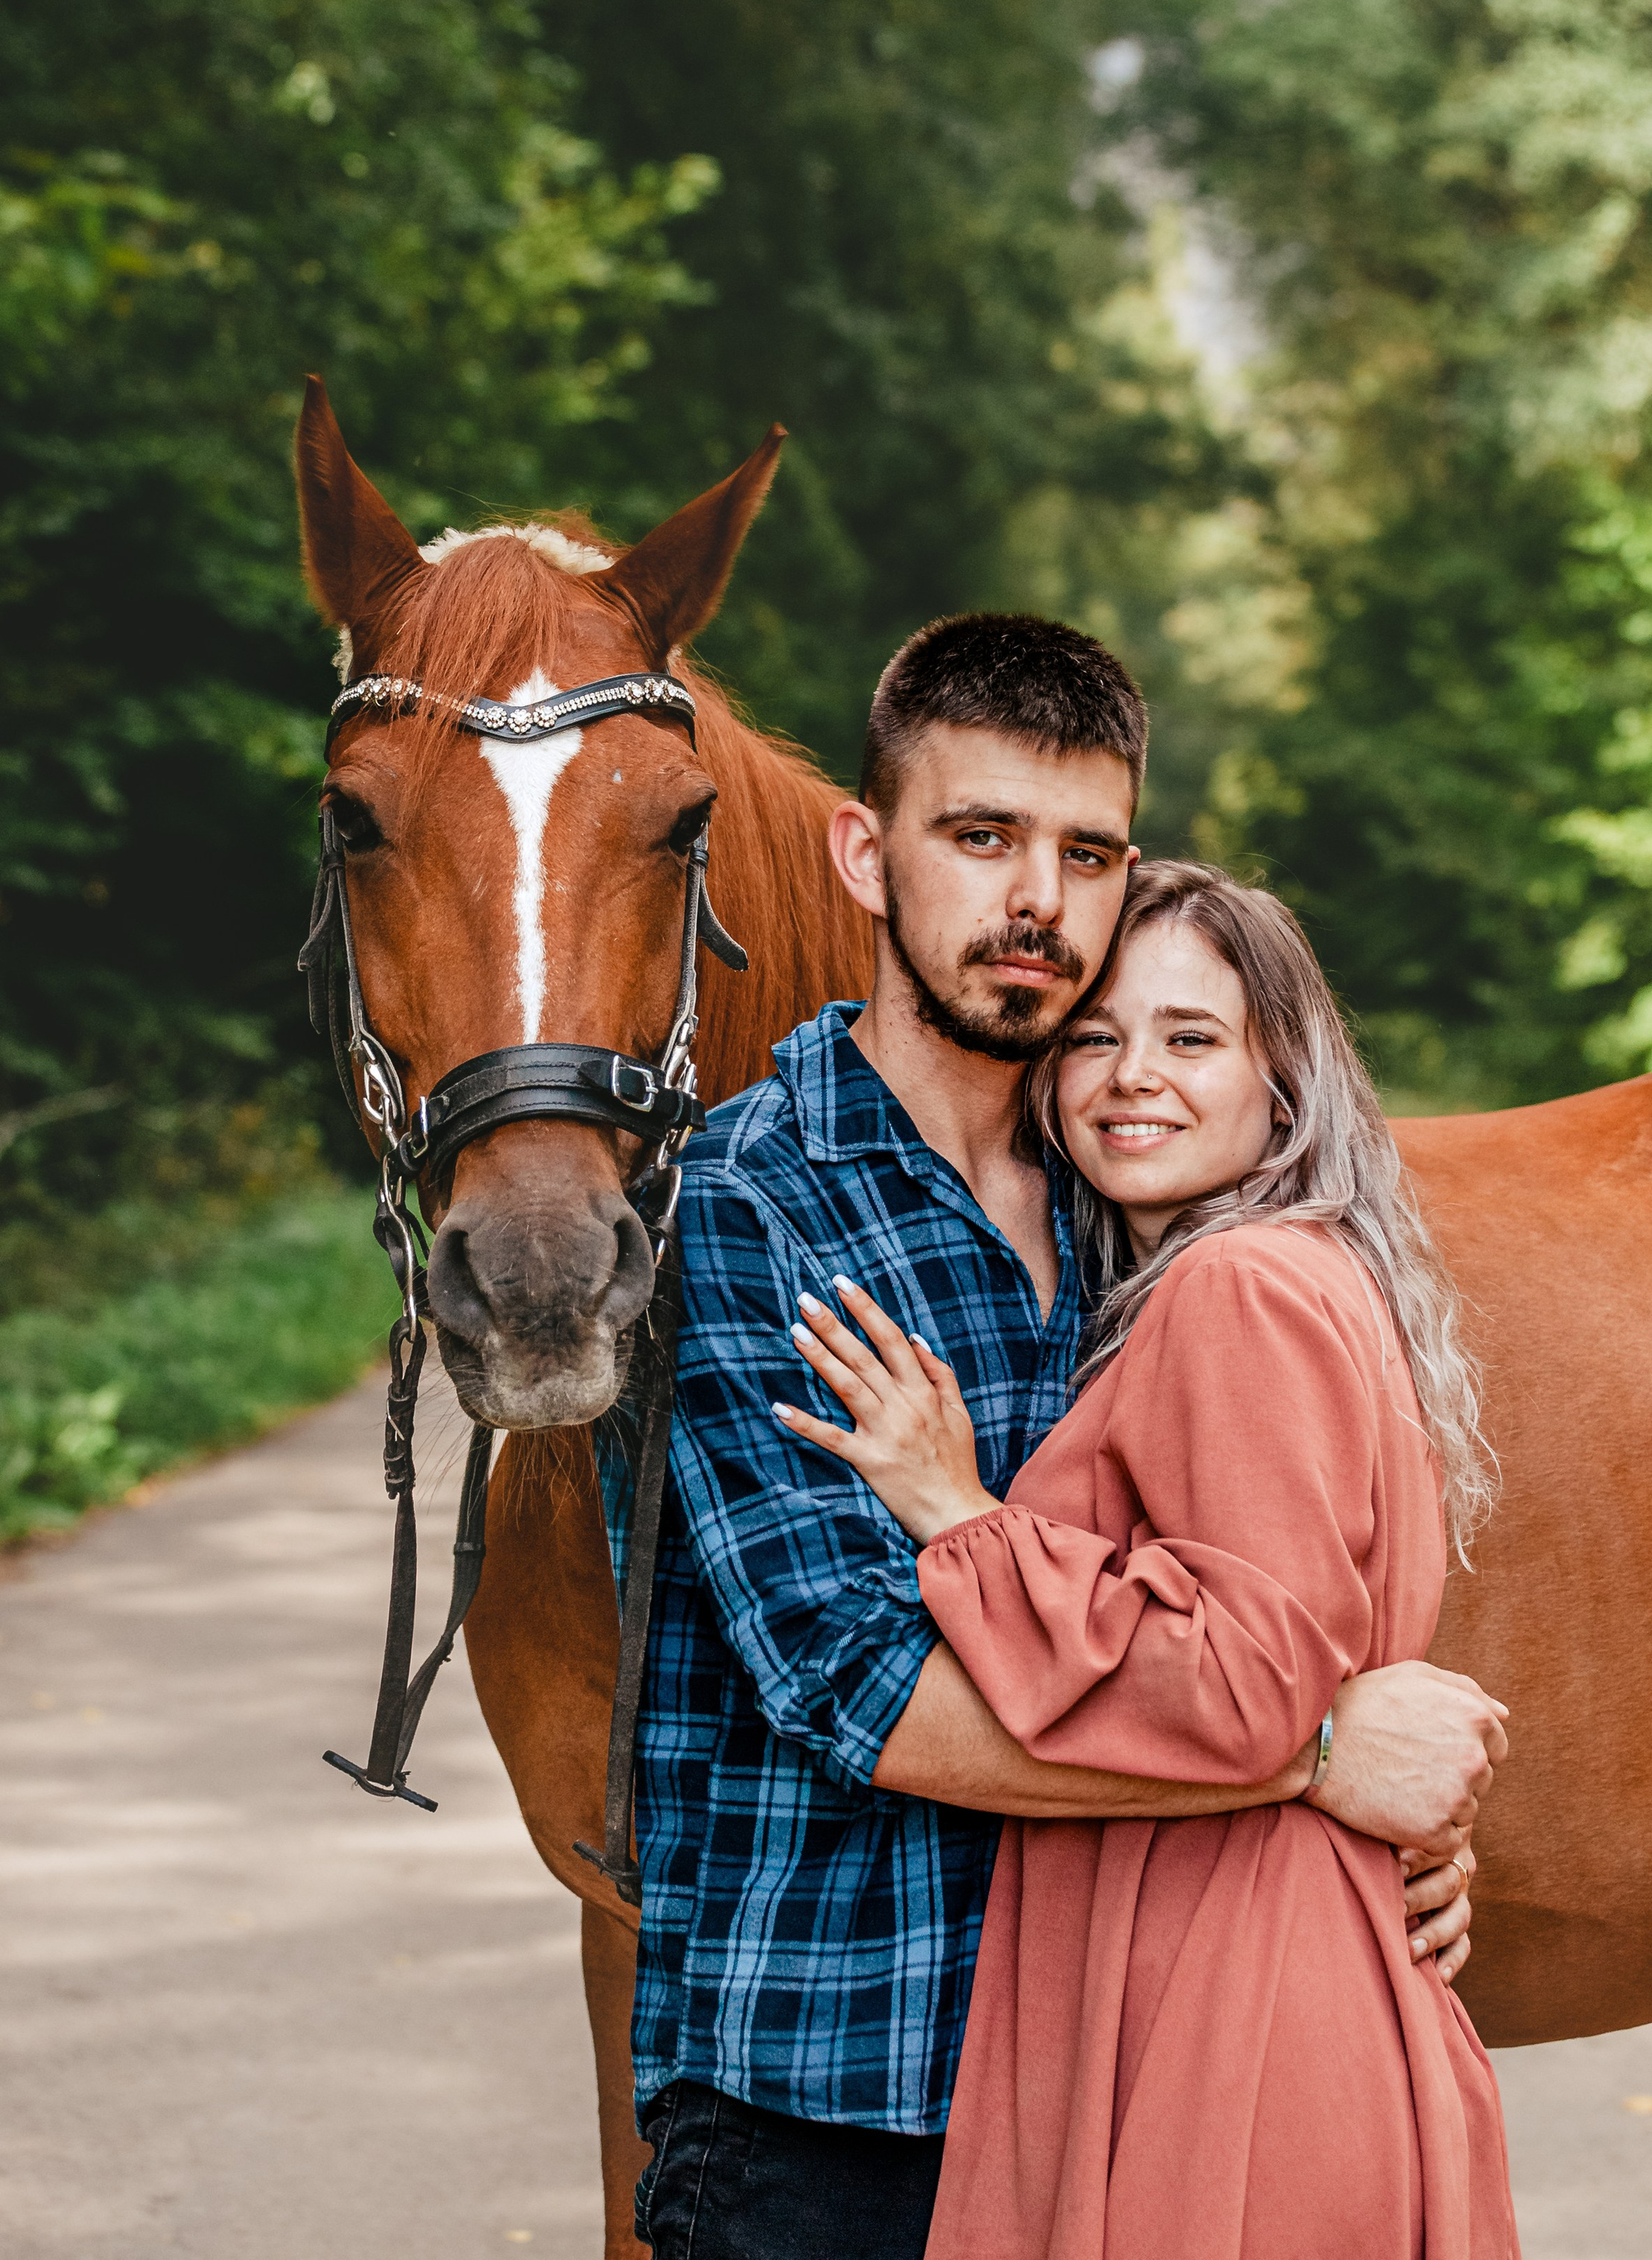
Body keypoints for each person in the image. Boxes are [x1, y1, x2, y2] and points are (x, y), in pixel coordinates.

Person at [605, 616, 1510, 2260]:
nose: (1035, 899)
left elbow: (1247, 1600)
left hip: (1109, 2061)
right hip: (840, 2095)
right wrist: (1311, 1764)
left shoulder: (1128, 1194)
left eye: (1083, 853)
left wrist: (1363, 1784)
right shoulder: (749, 1202)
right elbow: (864, 1692)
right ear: (864, 857)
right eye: (979, 837)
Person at [779, 856, 1517, 2256]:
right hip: (1264, 1938)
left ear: (1282, 1082)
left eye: (1191, 1039)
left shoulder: (1233, 1289)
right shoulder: (1310, 1275)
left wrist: (960, 1514)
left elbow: (1252, 1684)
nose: (1134, 1077)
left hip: (1230, 1989)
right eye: (1096, 1039)